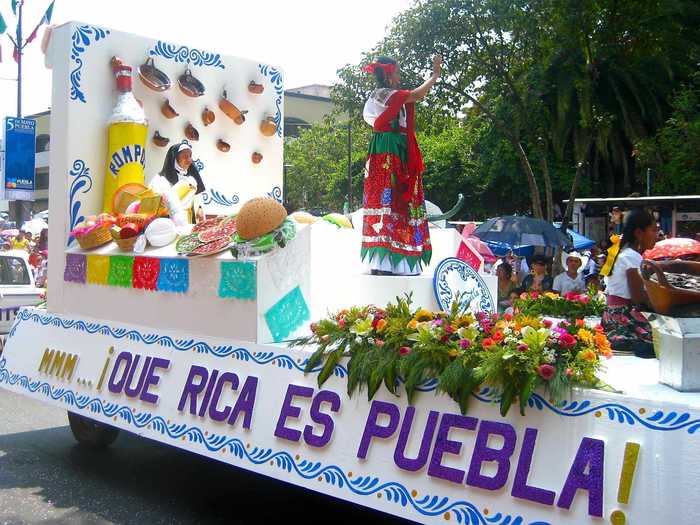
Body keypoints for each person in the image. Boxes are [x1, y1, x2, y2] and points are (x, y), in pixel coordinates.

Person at [360, 55, 441, 275]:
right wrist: (434, 76)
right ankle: (389, 261)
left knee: (393, 199)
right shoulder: (386, 94)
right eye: (396, 73)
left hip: (391, 147)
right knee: (393, 197)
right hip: (390, 149)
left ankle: (390, 260)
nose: (399, 77)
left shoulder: (386, 95)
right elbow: (418, 94)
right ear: (388, 74)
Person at [600, 208, 657, 358]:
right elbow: (638, 298)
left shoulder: (623, 253)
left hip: (612, 316)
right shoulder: (632, 257)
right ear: (639, 233)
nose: (656, 235)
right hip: (624, 319)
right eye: (653, 230)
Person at [159, 141, 206, 223]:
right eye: (185, 156)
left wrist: (199, 208)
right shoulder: (163, 179)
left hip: (189, 219)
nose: (189, 160)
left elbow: (196, 197)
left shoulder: (192, 179)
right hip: (170, 220)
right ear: (175, 158)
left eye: (190, 156)